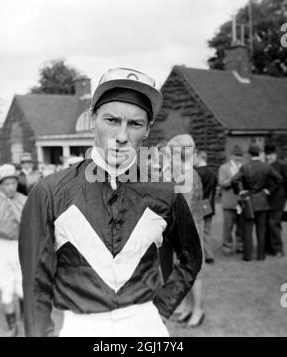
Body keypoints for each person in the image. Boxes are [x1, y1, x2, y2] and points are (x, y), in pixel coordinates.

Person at [19, 67, 203, 337]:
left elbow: (191, 258)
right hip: (81, 327)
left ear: (148, 129)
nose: (121, 136)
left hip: (145, 325)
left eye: (135, 124)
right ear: (93, 119)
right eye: (111, 120)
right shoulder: (48, 192)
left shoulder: (166, 193)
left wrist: (159, 310)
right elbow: (36, 283)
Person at [162, 134, 205, 328]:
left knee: (193, 271)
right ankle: (187, 307)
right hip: (185, 229)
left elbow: (184, 207)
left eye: (171, 152)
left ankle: (198, 310)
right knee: (186, 269)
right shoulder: (183, 172)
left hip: (191, 230)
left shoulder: (187, 174)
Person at [0, 164, 26, 336]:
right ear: (0, 184)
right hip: (0, 247)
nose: (10, 187)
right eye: (6, 184)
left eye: (13, 183)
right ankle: (12, 326)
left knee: (23, 285)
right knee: (5, 288)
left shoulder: (25, 200)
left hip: (20, 246)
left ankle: (25, 322)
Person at [232, 144, 283, 261]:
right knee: (261, 230)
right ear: (259, 154)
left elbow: (234, 180)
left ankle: (248, 256)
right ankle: (261, 256)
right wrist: (269, 190)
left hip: (249, 201)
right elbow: (279, 179)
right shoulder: (266, 167)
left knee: (247, 230)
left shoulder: (245, 167)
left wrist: (240, 191)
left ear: (249, 155)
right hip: (262, 201)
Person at [264, 144, 287, 257]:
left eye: (270, 154)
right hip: (267, 200)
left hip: (278, 200)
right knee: (267, 224)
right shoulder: (265, 165)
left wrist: (285, 197)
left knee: (273, 224)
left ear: (275, 154)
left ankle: (278, 249)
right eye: (267, 154)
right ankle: (269, 248)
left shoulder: (282, 165)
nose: (268, 157)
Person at [218, 145, 244, 255]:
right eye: (236, 155)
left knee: (241, 228)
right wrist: (233, 179)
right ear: (232, 155)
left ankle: (240, 246)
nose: (238, 157)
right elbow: (222, 183)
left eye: (240, 155)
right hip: (228, 202)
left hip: (242, 203)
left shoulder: (244, 167)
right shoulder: (224, 168)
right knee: (228, 228)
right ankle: (227, 248)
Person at [194, 150, 217, 264]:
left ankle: (200, 256)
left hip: (198, 205)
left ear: (199, 157)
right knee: (207, 231)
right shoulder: (212, 172)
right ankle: (209, 255)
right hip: (209, 205)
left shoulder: (196, 173)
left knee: (198, 232)